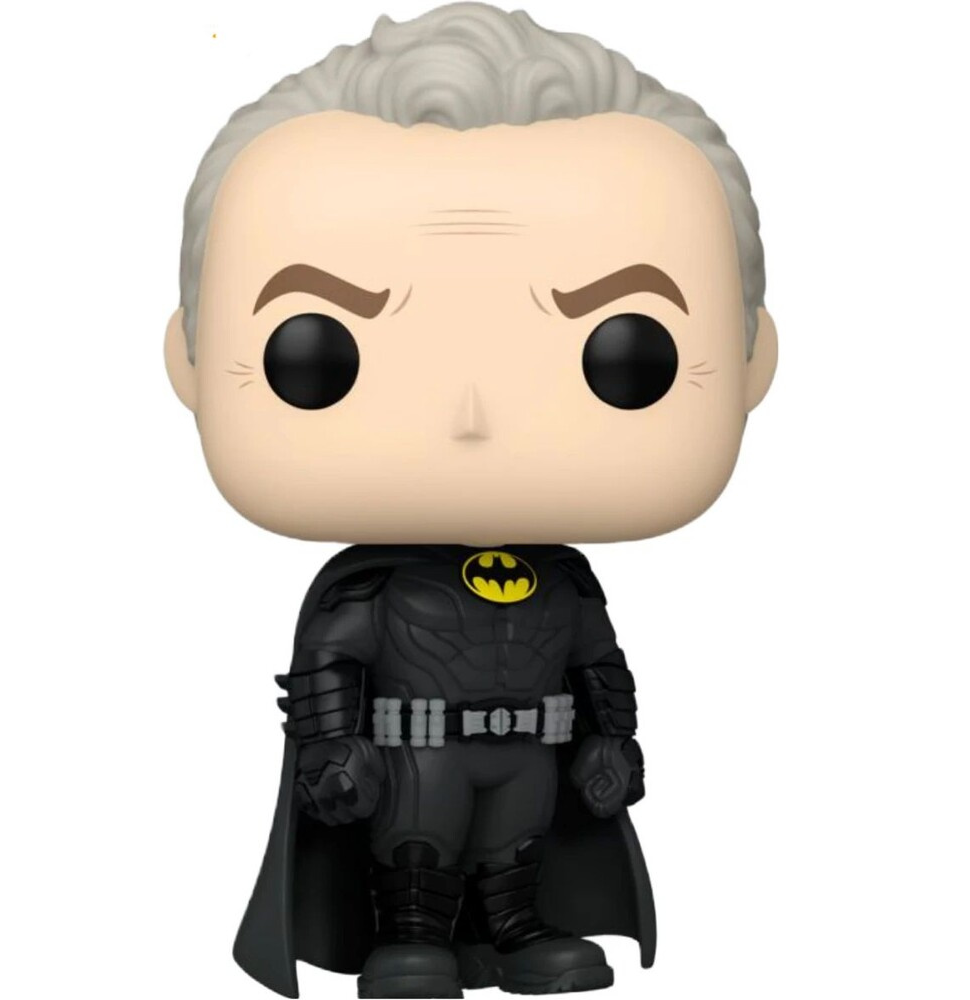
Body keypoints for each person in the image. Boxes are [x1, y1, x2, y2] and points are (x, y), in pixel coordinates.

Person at [164, 4, 777, 997]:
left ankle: (520, 930)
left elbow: (597, 662)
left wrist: (612, 738)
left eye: (627, 355)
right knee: (419, 847)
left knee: (515, 847)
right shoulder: (370, 591)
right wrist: (332, 750)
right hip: (416, 755)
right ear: (189, 360)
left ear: (752, 360)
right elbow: (331, 665)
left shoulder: (564, 583)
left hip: (530, 749)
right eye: (317, 355)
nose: (471, 417)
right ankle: (413, 936)